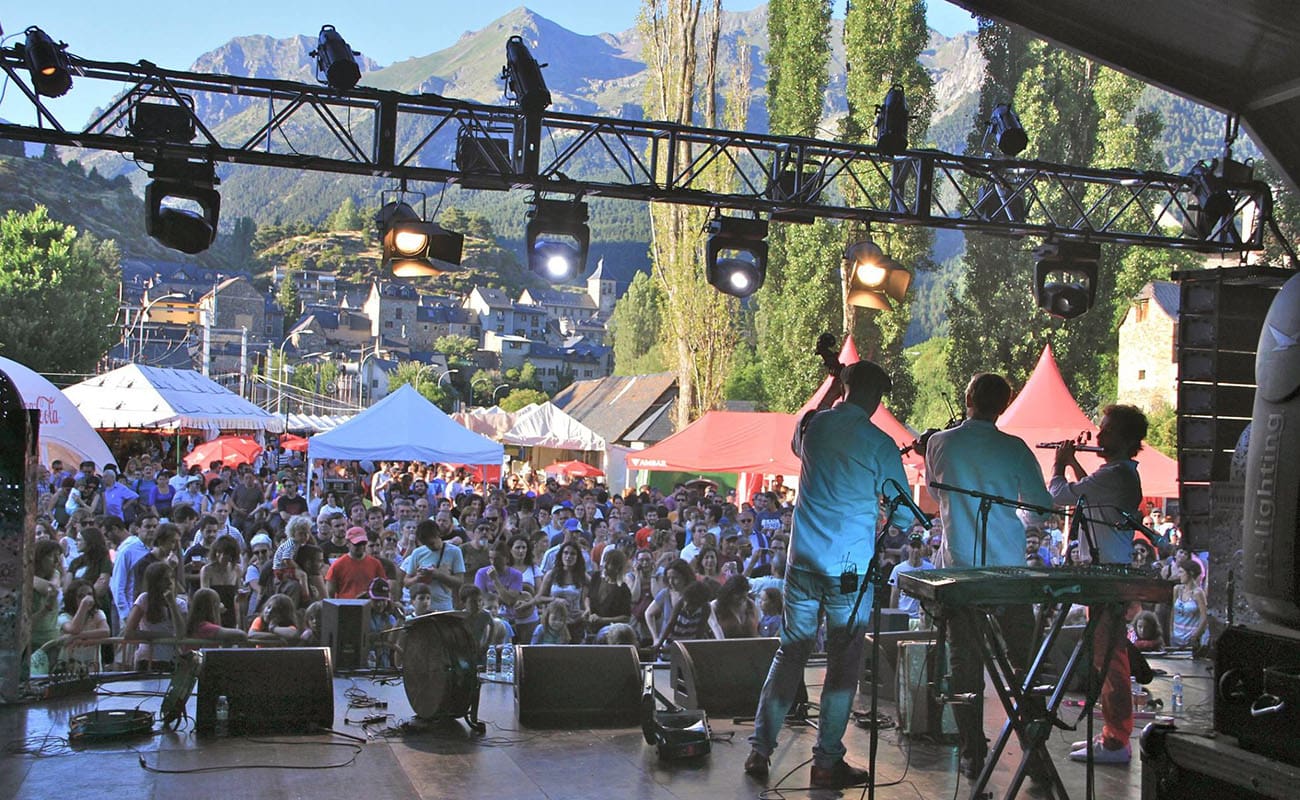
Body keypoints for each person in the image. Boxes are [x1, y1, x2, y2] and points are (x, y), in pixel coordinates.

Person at [746, 360, 912, 789]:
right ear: (876, 399)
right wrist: (882, 509)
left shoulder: (816, 426)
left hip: (802, 562)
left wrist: (830, 385)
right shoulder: (880, 442)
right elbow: (906, 518)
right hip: (848, 570)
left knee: (790, 653)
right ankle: (826, 762)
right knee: (842, 664)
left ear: (842, 387)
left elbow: (799, 433)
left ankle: (759, 750)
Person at [923, 372, 1054, 779]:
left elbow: (933, 490)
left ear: (967, 399)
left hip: (961, 570)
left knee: (965, 665)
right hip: (1009, 568)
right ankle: (1034, 752)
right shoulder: (1014, 448)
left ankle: (971, 751)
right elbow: (1042, 505)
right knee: (1025, 661)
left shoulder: (939, 443)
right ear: (1004, 405)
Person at [1050, 404, 1147, 766]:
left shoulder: (1117, 474)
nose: (1100, 436)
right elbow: (1089, 493)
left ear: (1124, 439)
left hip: (1107, 574)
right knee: (1104, 658)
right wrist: (1076, 463)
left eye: (1106, 431)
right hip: (1106, 573)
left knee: (1111, 662)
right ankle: (1111, 735)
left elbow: (1062, 495)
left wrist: (1060, 463)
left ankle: (1116, 741)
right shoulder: (1118, 473)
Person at [400, 518, 465, 612]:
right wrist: (418, 578)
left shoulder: (454, 552)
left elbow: (459, 581)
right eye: (426, 545)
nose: (431, 547)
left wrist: (437, 575)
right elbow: (406, 582)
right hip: (421, 608)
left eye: (432, 543)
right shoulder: (417, 553)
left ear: (438, 535)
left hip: (443, 605)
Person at [325, 527, 388, 599]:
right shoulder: (338, 565)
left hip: (368, 606)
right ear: (348, 543)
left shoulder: (375, 564)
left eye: (363, 543)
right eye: (357, 544)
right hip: (345, 605)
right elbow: (330, 592)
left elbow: (383, 587)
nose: (361, 546)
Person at [888, 533, 934, 626]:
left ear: (922, 547)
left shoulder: (931, 568)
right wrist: (893, 618)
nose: (915, 550)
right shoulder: (898, 569)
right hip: (904, 615)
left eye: (918, 546)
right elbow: (894, 596)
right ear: (908, 548)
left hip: (923, 617)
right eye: (913, 546)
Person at [1169, 559, 1208, 649]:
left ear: (1190, 573)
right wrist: (1170, 631)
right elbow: (1173, 611)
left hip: (1190, 638)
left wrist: (1196, 636)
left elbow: (1204, 616)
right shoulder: (1177, 589)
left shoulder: (1198, 593)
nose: (1179, 575)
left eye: (1182, 572)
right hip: (1176, 636)